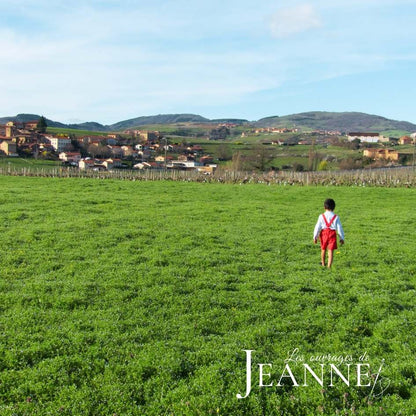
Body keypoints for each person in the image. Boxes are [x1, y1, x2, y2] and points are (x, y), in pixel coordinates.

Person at [313, 198, 344, 268]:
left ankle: (323, 263)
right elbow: (339, 228)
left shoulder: (321, 216)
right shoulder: (336, 217)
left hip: (324, 233)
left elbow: (317, 227)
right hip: (332, 234)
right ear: (334, 207)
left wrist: (315, 236)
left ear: (324, 207)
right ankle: (329, 266)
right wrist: (341, 238)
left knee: (323, 249)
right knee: (330, 251)